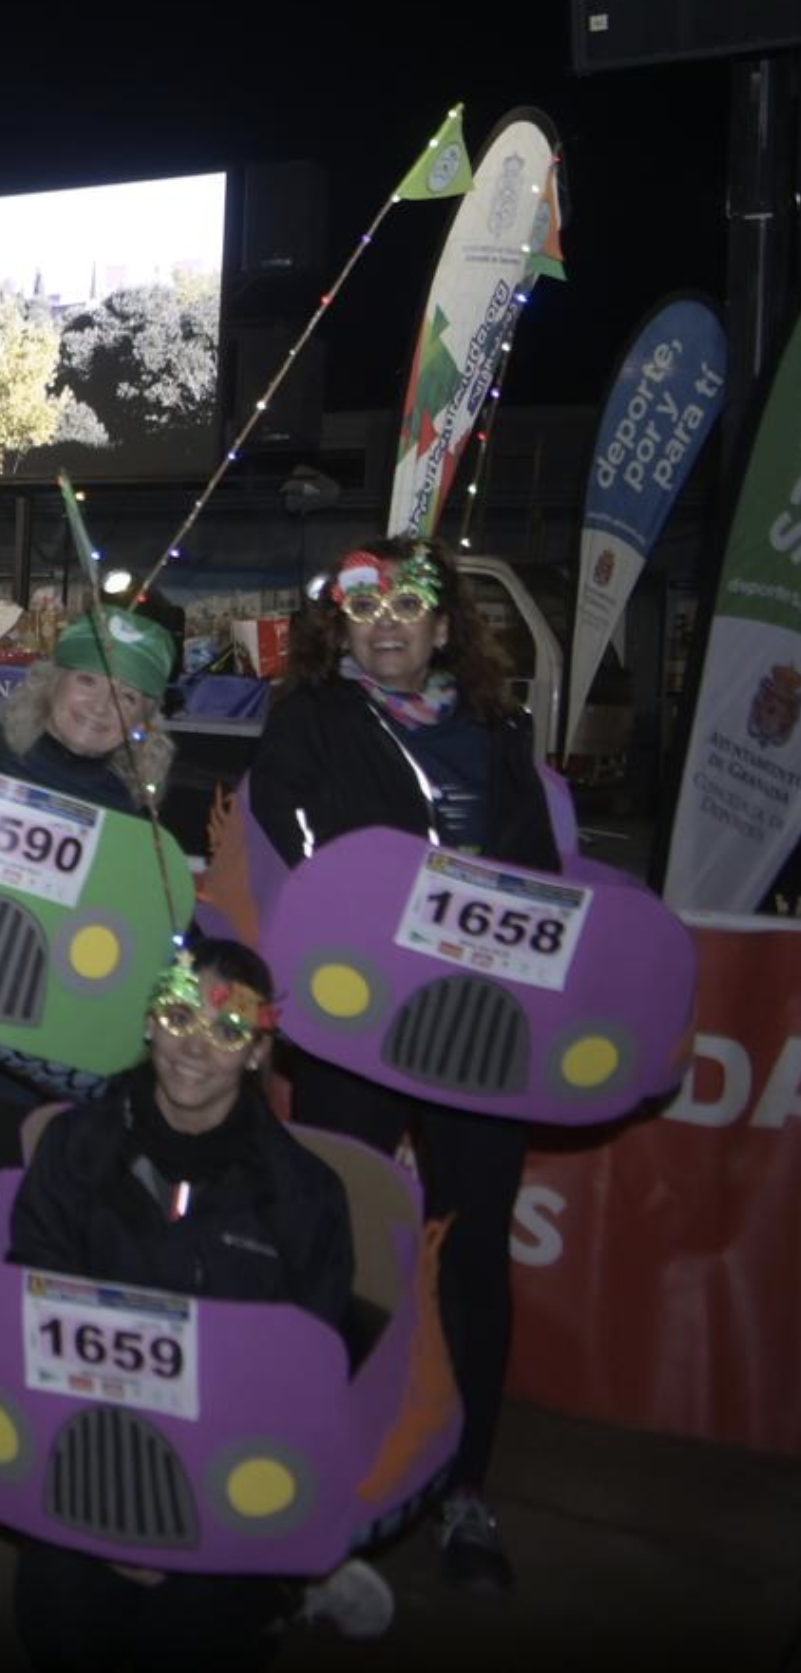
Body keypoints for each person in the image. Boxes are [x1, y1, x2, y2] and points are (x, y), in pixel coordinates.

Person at [246, 536, 551, 1594]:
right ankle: (318, 1473)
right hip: (351, 1027)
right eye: (365, 607)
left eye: (408, 607)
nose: (385, 624)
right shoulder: (307, 724)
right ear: (342, 626)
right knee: (338, 1242)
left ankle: (464, 1490)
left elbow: (540, 888)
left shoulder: (498, 735)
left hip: (476, 1030)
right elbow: (288, 857)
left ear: (439, 627)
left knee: (469, 1260)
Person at [7, 940, 388, 1668]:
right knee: (57, 1625)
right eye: (179, 1015)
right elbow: (32, 1313)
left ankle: (291, 1580)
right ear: (150, 1020)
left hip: (228, 1476)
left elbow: (302, 1381)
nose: (194, 1046)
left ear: (256, 1053)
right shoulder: (75, 1149)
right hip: (90, 1450)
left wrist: (190, 1525)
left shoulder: (302, 1194)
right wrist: (115, 1517)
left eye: (227, 1030)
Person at [0, 606, 175, 1194]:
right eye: (88, 679)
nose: (101, 706)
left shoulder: (128, 817)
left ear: (145, 723)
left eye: (128, 696)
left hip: (38, 1050)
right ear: (51, 680)